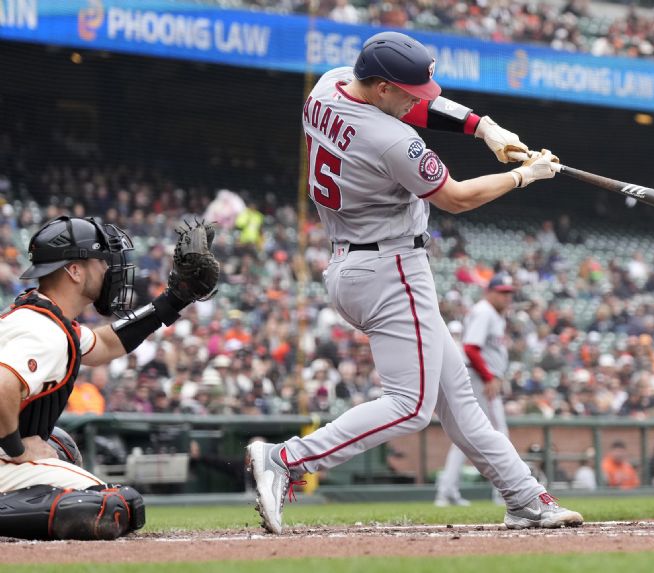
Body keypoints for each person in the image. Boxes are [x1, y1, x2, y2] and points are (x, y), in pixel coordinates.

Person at [248, 31, 580, 534]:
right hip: (392, 269)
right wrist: (525, 176)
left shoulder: (329, 85)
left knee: (457, 400)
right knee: (410, 406)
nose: (416, 102)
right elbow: (457, 198)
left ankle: (525, 497)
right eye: (407, 92)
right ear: (381, 87)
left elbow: (419, 107)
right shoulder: (390, 139)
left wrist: (482, 128)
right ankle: (287, 459)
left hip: (352, 263)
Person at [0, 216, 218, 540]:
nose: (109, 268)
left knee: (61, 446)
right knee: (114, 506)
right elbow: (2, 385)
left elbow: (105, 344)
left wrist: (175, 297)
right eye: (101, 261)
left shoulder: (44, 318)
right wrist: (17, 450)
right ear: (74, 270)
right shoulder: (44, 331)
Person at [435, 272, 516, 507]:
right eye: (502, 293)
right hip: (480, 378)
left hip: (482, 377)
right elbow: (471, 347)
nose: (506, 298)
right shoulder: (484, 311)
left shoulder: (494, 314)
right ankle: (506, 493)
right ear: (489, 292)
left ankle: (447, 491)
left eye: (509, 294)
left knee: (468, 435)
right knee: (497, 433)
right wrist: (489, 377)